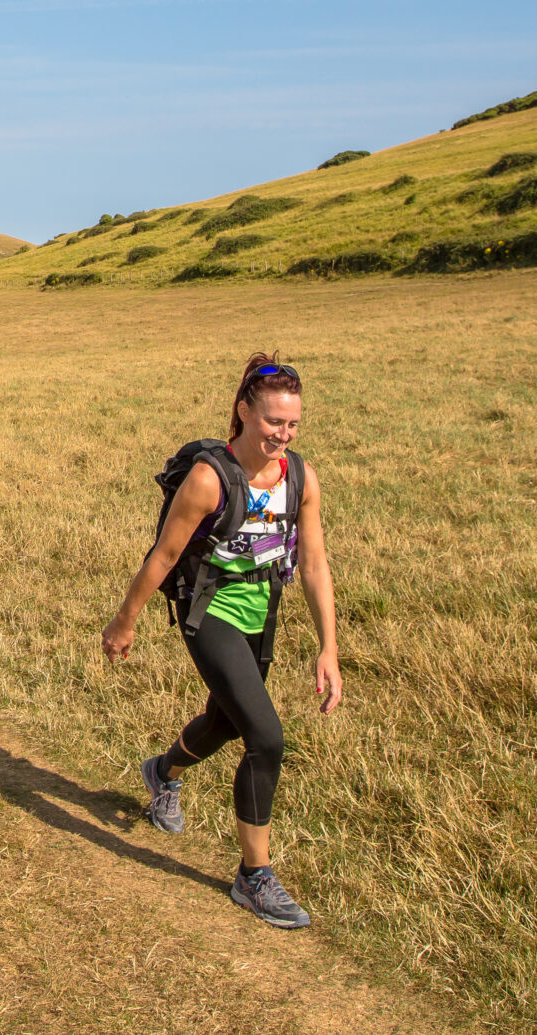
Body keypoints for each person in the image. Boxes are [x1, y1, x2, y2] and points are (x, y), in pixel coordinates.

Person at [101, 354, 340, 930]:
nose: (282, 436)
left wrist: (328, 647)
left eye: (292, 425)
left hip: (263, 610)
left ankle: (163, 771)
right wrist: (124, 621)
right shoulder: (209, 479)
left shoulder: (300, 478)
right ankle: (253, 875)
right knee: (266, 737)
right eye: (272, 423)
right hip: (208, 610)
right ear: (243, 412)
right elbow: (162, 555)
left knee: (229, 720)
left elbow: (313, 563)